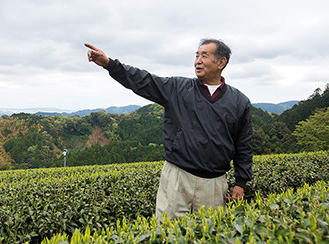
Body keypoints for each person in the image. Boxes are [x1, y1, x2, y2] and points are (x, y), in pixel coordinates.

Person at [85, 39, 253, 221]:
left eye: (204, 56)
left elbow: (243, 145)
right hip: (177, 178)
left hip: (214, 184)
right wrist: (110, 64)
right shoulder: (178, 88)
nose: (197, 61)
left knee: (209, 234)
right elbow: (143, 80)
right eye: (196, 56)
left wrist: (240, 183)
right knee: (166, 232)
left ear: (221, 62)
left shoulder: (239, 102)